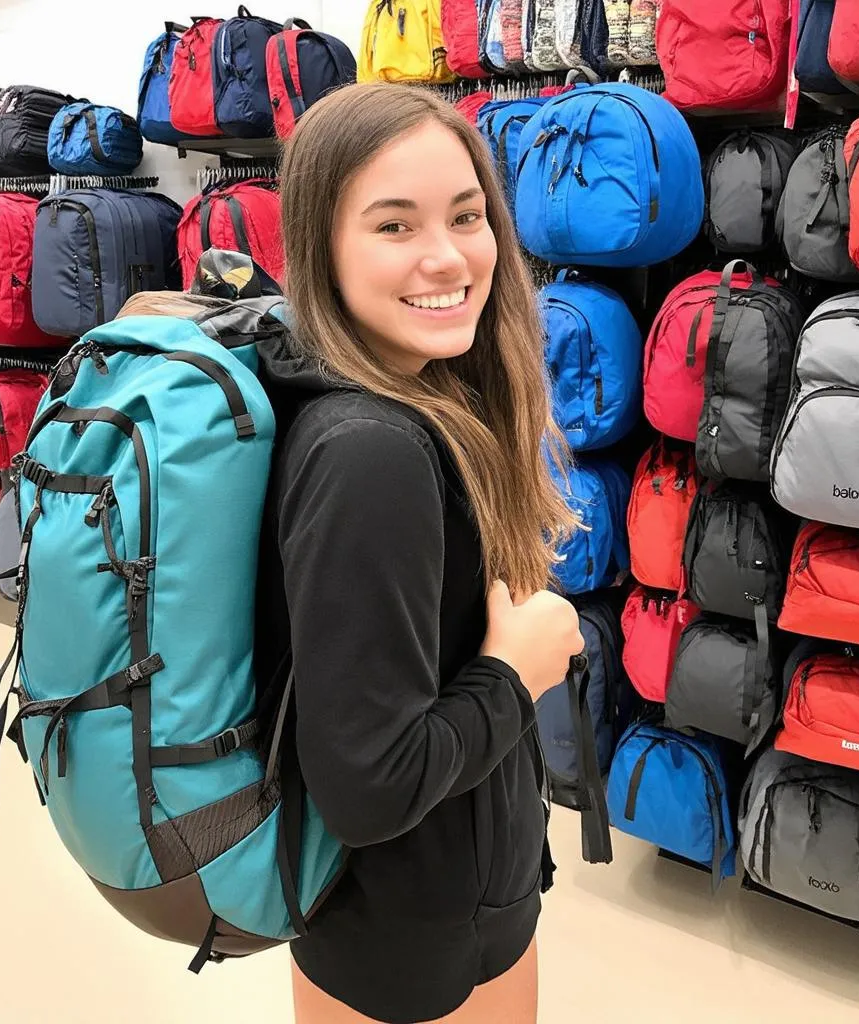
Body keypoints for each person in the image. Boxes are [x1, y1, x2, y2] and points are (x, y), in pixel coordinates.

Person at [252, 82, 587, 1024]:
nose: (449, 256)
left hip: (391, 912)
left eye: (468, 215)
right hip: (415, 936)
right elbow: (372, 783)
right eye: (393, 226)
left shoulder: (393, 400)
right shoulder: (373, 450)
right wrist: (516, 671)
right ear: (323, 244)